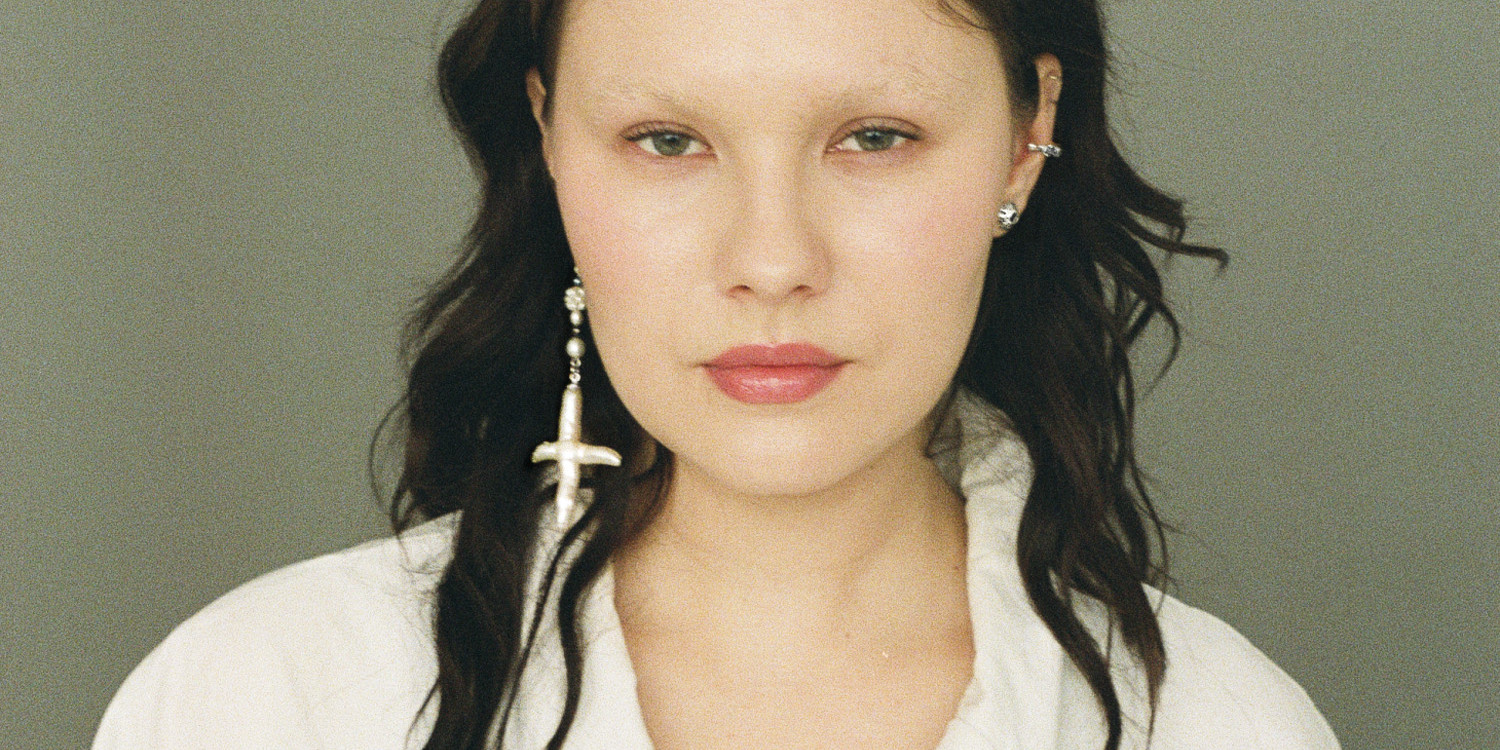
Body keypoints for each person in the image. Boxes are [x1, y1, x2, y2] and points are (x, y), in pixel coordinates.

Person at [94, 0, 1342, 748]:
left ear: (1027, 140)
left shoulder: (1223, 728)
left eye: (874, 137)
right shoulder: (269, 698)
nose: (771, 260)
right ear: (549, 138)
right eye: (668, 140)